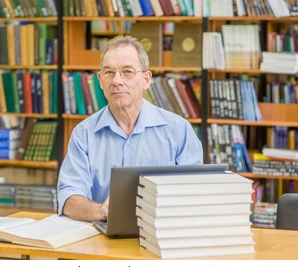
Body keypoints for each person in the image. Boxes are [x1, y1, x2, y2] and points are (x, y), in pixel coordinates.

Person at [57, 35, 203, 222]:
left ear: (146, 79)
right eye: (109, 72)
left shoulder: (178, 130)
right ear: (100, 80)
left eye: (127, 71)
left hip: (162, 234)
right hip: (102, 236)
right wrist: (101, 211)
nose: (117, 80)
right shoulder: (83, 134)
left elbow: (195, 193)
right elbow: (68, 198)